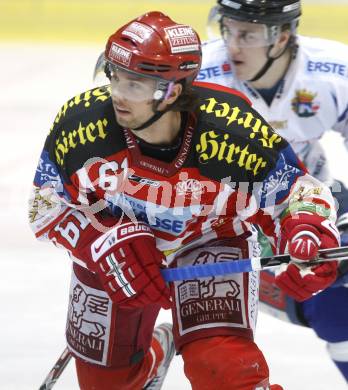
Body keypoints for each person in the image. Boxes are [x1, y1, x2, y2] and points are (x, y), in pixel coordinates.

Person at [29, 10, 340, 390]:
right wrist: (97, 240)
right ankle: (155, 356)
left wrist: (305, 227)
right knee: (107, 385)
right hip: (111, 250)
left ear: (173, 91)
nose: (118, 96)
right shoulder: (81, 127)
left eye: (136, 85)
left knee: (225, 371)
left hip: (210, 241)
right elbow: (43, 207)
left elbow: (298, 191)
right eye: (116, 78)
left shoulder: (232, 134)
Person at [198, 0, 348, 382]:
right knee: (328, 306)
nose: (233, 44)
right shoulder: (199, 75)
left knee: (338, 310)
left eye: (247, 34)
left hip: (308, 208)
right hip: (223, 221)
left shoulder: (334, 72)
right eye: (227, 29)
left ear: (281, 37)